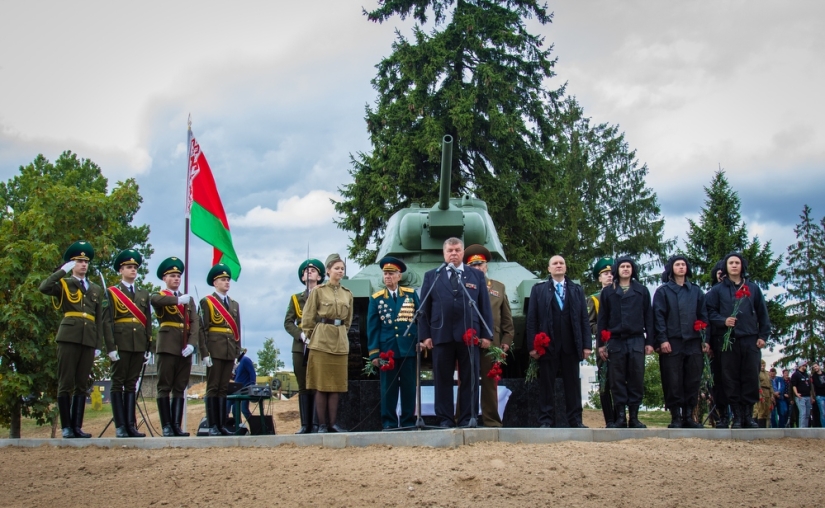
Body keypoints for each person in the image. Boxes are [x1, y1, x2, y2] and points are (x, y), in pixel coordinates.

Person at [419, 238, 493, 428]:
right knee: (442, 378)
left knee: (470, 378)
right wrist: (425, 335)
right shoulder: (432, 276)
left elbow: (484, 306)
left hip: (469, 335)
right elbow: (424, 308)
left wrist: (487, 334)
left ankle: (468, 418)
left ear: (463, 252)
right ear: (444, 253)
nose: (453, 253)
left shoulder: (476, 275)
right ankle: (445, 418)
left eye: (457, 250)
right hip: (441, 334)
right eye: (450, 250)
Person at [39, 240, 105, 439]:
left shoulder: (95, 289)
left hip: (88, 338)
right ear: (71, 264)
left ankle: (77, 426)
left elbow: (99, 319)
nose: (83, 265)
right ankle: (66, 427)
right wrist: (62, 271)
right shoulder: (64, 284)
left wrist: (98, 344)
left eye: (85, 262)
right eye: (78, 261)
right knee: (66, 382)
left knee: (81, 384)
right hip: (69, 337)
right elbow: (44, 287)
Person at [706, 252, 771, 429]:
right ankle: (736, 416)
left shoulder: (753, 288)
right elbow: (709, 312)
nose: (734, 265)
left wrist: (763, 336)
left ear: (742, 266)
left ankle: (748, 416)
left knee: (750, 377)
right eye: (731, 263)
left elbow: (762, 313)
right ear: (725, 267)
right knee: (730, 378)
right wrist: (723, 321)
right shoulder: (717, 290)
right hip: (728, 342)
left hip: (750, 339)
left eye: (737, 262)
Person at [526, 255, 592, 428]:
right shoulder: (539, 290)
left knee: (573, 385)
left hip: (571, 345)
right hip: (548, 345)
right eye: (554, 263)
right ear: (549, 269)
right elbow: (532, 319)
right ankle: (545, 420)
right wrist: (532, 346)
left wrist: (586, 345)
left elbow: (584, 319)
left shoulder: (576, 290)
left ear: (565, 267)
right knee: (546, 384)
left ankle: (575, 420)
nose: (558, 265)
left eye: (561, 263)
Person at [597, 256, 654, 428]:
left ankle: (634, 417)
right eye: (622, 266)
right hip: (615, 341)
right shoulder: (608, 292)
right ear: (617, 270)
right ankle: (620, 416)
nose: (626, 269)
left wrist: (650, 342)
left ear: (633, 269)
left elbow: (649, 317)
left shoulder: (642, 291)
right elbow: (602, 320)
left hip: (636, 339)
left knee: (636, 378)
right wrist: (601, 345)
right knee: (617, 379)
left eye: (629, 266)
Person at [652, 255, 708, 428]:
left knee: (692, 379)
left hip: (693, 342)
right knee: (672, 380)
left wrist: (705, 339)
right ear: (671, 268)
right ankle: (676, 416)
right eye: (677, 264)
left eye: (683, 264)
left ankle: (688, 416)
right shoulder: (663, 291)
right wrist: (662, 340)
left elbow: (703, 315)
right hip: (672, 342)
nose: (681, 267)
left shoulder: (696, 291)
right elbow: (658, 317)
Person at [463, 245, 514, 428]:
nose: (478, 268)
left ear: (486, 266)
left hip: (492, 342)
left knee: (490, 382)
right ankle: (464, 418)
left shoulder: (498, 287)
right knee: (466, 381)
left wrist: (506, 341)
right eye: (473, 265)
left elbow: (506, 318)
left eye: (480, 264)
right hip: (467, 341)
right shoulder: (462, 286)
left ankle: (491, 420)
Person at [301, 253, 353, 433]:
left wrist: (341, 334)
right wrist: (315, 335)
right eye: (337, 268)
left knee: (336, 386)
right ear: (328, 270)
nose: (340, 271)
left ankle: (332, 424)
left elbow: (348, 321)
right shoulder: (318, 291)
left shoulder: (347, 294)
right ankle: (322, 424)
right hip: (321, 342)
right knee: (321, 386)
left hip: (339, 342)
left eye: (342, 268)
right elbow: (307, 319)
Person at [103, 249, 152, 438]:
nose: (133, 270)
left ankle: (131, 425)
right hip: (121, 343)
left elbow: (147, 321)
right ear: (120, 270)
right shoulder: (112, 292)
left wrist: (148, 346)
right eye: (129, 267)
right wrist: (110, 347)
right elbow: (107, 321)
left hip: (138, 343)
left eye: (135, 267)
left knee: (131, 384)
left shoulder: (143, 293)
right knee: (118, 383)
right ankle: (120, 426)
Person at [367, 256, 420, 429]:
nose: (387, 276)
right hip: (386, 349)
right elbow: (373, 327)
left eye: (391, 273)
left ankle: (407, 421)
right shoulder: (376, 298)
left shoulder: (410, 295)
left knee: (409, 387)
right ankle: (389, 422)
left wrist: (420, 341)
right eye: (385, 273)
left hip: (408, 348)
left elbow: (420, 319)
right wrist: (374, 353)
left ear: (399, 276)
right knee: (387, 388)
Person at [150, 256, 198, 437]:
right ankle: (166, 426)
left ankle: (176, 425)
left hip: (185, 346)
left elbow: (194, 323)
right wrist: (177, 301)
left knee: (180, 386)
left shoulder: (188, 300)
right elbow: (155, 300)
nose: (176, 279)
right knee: (165, 386)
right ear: (164, 278)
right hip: (168, 345)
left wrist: (192, 344)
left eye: (178, 276)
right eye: (172, 276)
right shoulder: (162, 296)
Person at [199, 263, 241, 436]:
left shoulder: (234, 304)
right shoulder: (207, 302)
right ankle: (212, 425)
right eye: (223, 280)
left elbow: (237, 331)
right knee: (213, 387)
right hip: (214, 349)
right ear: (215, 283)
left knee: (223, 388)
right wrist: (204, 353)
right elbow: (203, 329)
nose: (227, 282)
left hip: (229, 350)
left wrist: (237, 353)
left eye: (228, 279)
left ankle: (221, 424)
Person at [284, 258, 325, 434]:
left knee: (317, 384)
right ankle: (305, 424)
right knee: (303, 385)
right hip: (300, 346)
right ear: (302, 278)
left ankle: (316, 424)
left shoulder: (324, 295)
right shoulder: (296, 299)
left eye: (313, 271)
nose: (309, 273)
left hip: (319, 342)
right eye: (306, 271)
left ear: (320, 277)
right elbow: (288, 322)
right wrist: (300, 335)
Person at [589, 257, 615, 427]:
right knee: (605, 382)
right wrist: (603, 330)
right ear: (599, 278)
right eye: (605, 274)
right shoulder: (595, 299)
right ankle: (610, 419)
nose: (609, 276)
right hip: (604, 344)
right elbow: (590, 323)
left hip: (622, 344)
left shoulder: (622, 294)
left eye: (612, 273)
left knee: (622, 382)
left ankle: (622, 417)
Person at [708, 259, 731, 428]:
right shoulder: (711, 294)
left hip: (736, 342)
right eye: (719, 273)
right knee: (719, 381)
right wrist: (707, 343)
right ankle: (722, 415)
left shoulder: (739, 292)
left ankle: (741, 414)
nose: (722, 276)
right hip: (717, 342)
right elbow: (707, 320)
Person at [230, 348, 256, 427]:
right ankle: (238, 427)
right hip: (238, 391)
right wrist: (232, 376)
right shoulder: (239, 363)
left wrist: (252, 385)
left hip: (245, 390)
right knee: (235, 410)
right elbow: (238, 377)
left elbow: (252, 373)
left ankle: (254, 427)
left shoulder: (245, 360)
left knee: (244, 409)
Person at [791, 361, 812, 428]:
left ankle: (806, 428)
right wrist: (796, 393)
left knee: (807, 414)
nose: (805, 366)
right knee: (803, 413)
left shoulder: (806, 374)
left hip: (808, 396)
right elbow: (794, 385)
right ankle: (802, 429)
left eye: (805, 365)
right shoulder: (795, 375)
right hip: (801, 396)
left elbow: (809, 385)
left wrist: (811, 395)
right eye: (804, 365)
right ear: (800, 366)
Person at [755, 360, 774, 428]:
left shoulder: (767, 373)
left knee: (767, 411)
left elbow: (770, 385)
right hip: (762, 391)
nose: (763, 366)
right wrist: (760, 395)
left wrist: (772, 394)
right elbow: (758, 384)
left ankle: (766, 427)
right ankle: (760, 427)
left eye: (764, 365)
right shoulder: (758, 373)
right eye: (761, 365)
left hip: (768, 392)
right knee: (761, 411)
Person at [812, 363, 825, 428]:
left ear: (819, 366)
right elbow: (818, 385)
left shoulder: (824, 374)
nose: (815, 368)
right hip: (820, 396)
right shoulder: (814, 376)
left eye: (816, 366)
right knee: (823, 413)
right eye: (814, 367)